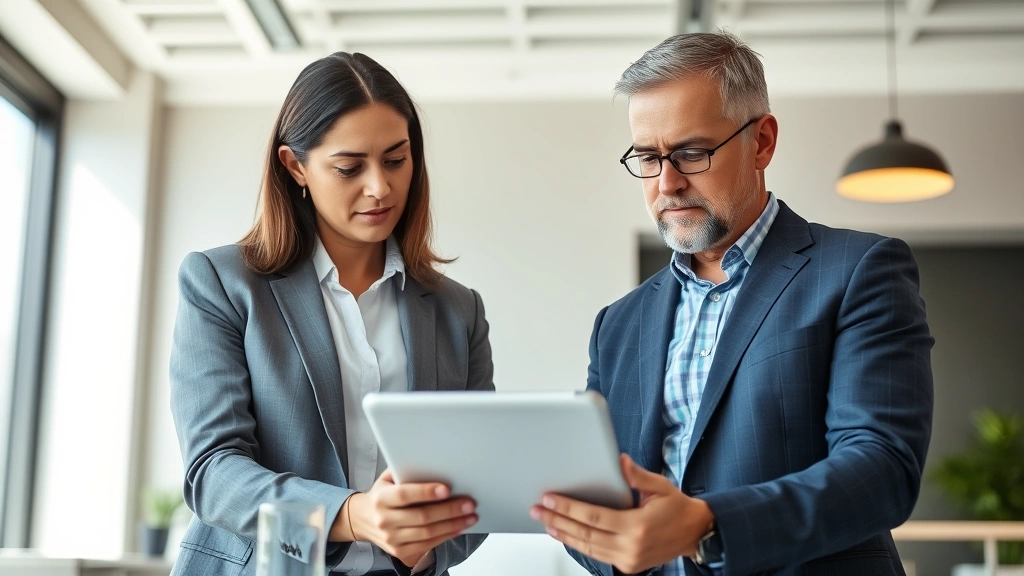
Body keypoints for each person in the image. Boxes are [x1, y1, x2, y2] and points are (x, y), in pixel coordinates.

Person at [531, 31, 933, 576]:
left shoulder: (859, 271)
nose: (667, 183)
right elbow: (596, 492)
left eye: (692, 153)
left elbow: (881, 470)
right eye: (648, 158)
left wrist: (706, 525)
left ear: (762, 141)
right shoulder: (619, 325)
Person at [169, 52, 493, 576]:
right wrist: (353, 514)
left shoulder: (459, 311)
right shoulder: (222, 283)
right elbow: (213, 472)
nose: (380, 188)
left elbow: (479, 478)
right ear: (296, 166)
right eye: (349, 167)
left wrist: (429, 549)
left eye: (396, 159)